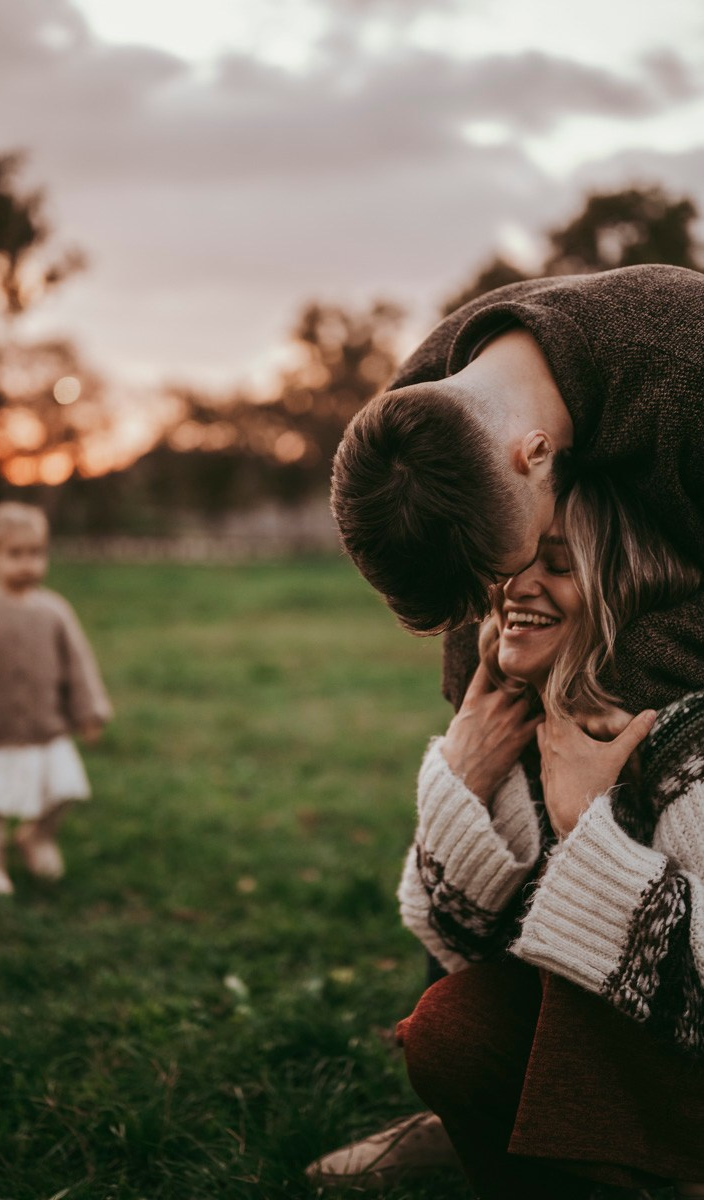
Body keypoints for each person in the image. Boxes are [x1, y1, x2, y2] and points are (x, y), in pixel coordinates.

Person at [395, 474, 704, 1200]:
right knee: (449, 1029)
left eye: (559, 566)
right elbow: (458, 945)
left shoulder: (688, 734)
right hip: (615, 1062)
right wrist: (460, 779)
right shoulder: (523, 720)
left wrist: (586, 824)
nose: (519, 587)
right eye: (514, 562)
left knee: (556, 992)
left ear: (619, 591)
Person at [330, 263, 704, 715]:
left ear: (535, 453)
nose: (512, 592)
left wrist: (614, 680)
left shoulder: (687, 370)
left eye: (547, 558)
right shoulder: (404, 424)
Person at [0, 502, 112, 896]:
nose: (28, 563)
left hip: (49, 728)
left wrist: (89, 712)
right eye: (15, 554)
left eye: (36, 553)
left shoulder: (55, 611)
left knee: (65, 791)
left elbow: (78, 665)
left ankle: (37, 837)